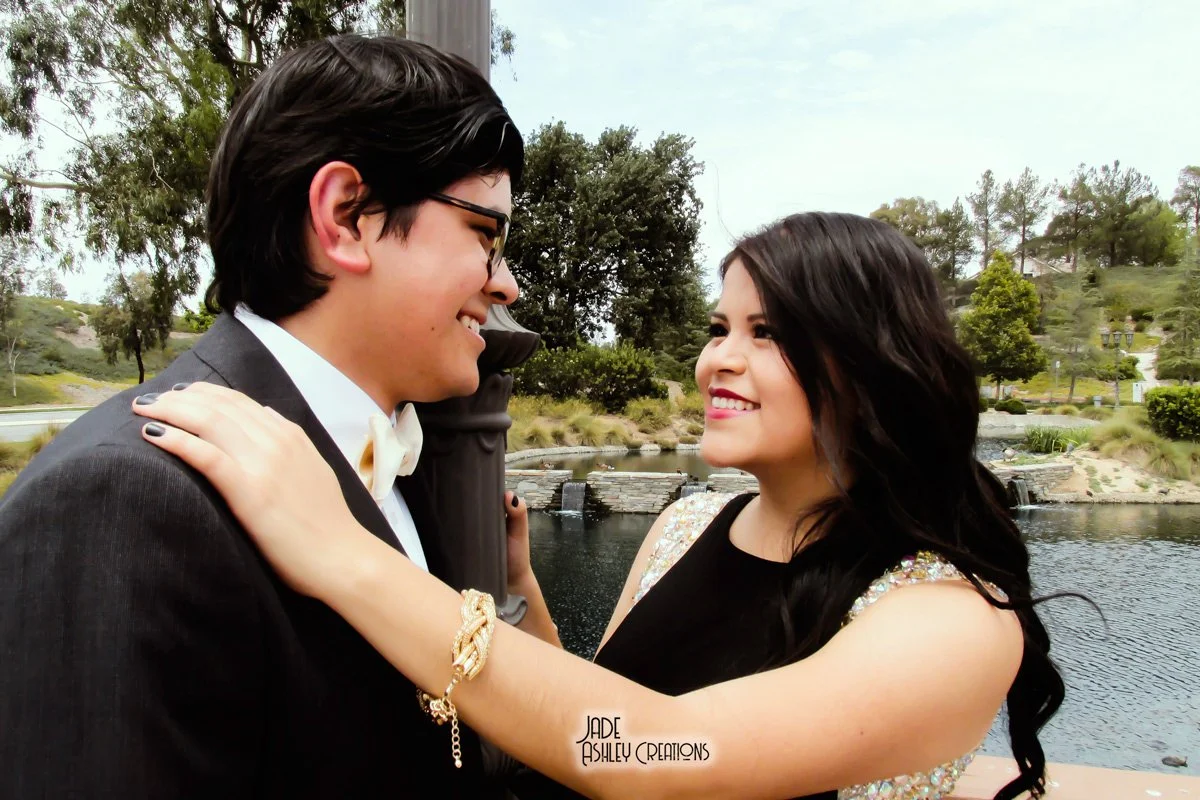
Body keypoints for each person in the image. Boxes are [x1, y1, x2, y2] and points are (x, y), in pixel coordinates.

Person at [129, 213, 1065, 800]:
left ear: (872, 366)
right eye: (718, 328)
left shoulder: (951, 620)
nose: (716, 362)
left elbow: (654, 751)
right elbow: (602, 700)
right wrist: (525, 592)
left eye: (768, 333)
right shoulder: (691, 524)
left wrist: (338, 548)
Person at [0, 34, 523, 797]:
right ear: (346, 216)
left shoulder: (397, 460)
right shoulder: (118, 500)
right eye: (485, 233)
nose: (506, 284)